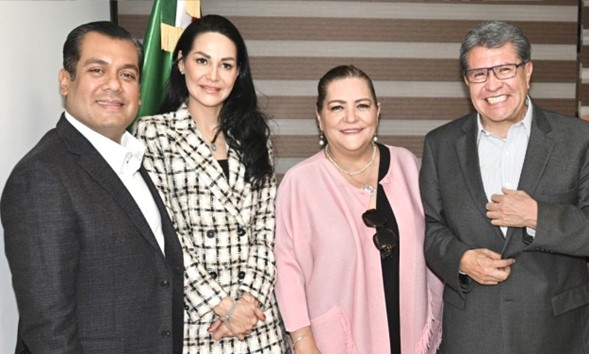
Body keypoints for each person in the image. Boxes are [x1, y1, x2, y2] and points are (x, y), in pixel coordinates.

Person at [1, 21, 184, 353]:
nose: (113, 85)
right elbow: (48, 331)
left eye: (127, 75)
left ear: (139, 92)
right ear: (65, 81)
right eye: (97, 70)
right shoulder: (41, 176)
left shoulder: (131, 161)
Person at [420, 20, 589, 353]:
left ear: (528, 71)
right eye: (479, 74)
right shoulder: (440, 144)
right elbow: (430, 227)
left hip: (557, 333)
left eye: (504, 69)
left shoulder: (578, 139)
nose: (492, 85)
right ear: (466, 81)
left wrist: (538, 216)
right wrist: (461, 259)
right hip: (472, 331)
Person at [133, 14, 288, 353]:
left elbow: (267, 228)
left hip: (258, 323)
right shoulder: (152, 134)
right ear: (181, 63)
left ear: (238, 73)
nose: (213, 76)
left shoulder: (254, 135)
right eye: (202, 61)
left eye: (226, 65)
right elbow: (163, 235)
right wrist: (224, 307)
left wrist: (248, 303)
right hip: (200, 320)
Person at [274, 65, 443, 354]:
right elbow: (286, 270)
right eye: (337, 107)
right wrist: (303, 343)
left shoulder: (409, 166)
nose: (351, 118)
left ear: (377, 111)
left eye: (361, 106)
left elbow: (437, 238)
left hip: (411, 333)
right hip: (335, 343)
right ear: (319, 116)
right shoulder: (300, 183)